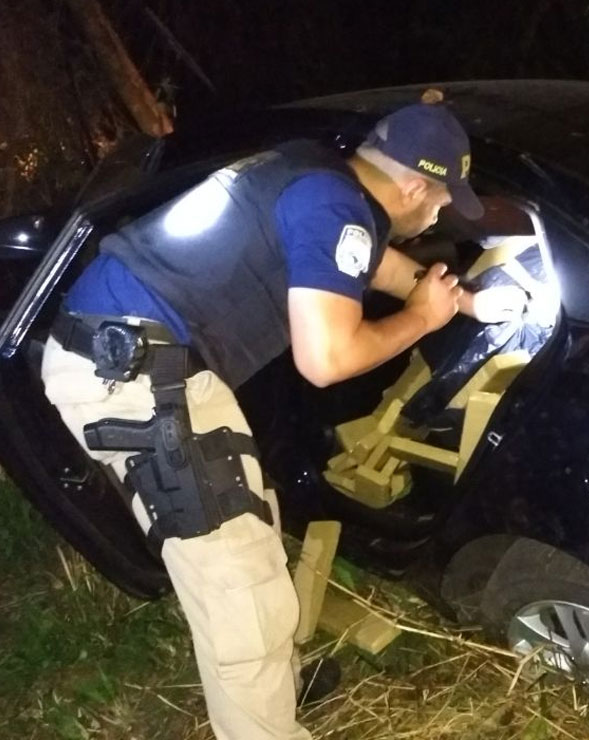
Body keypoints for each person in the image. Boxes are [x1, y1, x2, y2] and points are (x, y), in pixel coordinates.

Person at [39, 92, 525, 740]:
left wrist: (462, 303)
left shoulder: (318, 175)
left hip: (154, 360)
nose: (441, 213)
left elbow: (373, 264)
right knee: (238, 584)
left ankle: (272, 694)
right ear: (413, 183)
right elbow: (326, 359)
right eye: (441, 200)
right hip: (128, 376)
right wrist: (424, 320)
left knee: (251, 536)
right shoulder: (336, 207)